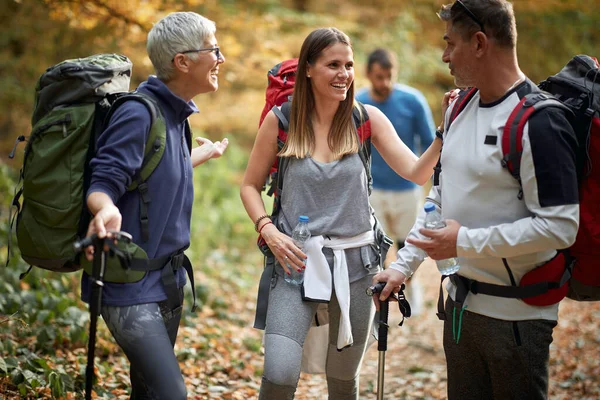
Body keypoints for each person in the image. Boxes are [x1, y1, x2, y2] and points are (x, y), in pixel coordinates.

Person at [372, 1, 579, 399]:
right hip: (459, 309)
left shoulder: (539, 121)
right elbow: (438, 199)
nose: (444, 55)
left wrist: (463, 242)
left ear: (480, 42)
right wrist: (402, 267)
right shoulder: (458, 108)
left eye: (450, 44)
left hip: (517, 318)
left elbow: (560, 227)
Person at [240, 27, 443, 399]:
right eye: (333, 64)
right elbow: (249, 185)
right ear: (308, 69)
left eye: (348, 65)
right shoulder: (281, 122)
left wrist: (445, 131)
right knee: (280, 369)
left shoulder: (366, 120)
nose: (344, 74)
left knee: (342, 376)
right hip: (294, 262)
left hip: (357, 264)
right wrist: (267, 229)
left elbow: (417, 172)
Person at [81, 12, 228, 399]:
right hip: (129, 284)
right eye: (214, 49)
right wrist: (105, 209)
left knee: (146, 393)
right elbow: (104, 182)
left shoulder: (176, 116)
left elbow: (153, 173)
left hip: (167, 281)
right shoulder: (138, 113)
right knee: (170, 394)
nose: (221, 58)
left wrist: (200, 156)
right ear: (183, 61)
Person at [356, 48, 436, 315]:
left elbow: (429, 142)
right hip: (372, 189)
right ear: (368, 74)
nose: (384, 83)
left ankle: (409, 294)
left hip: (406, 189)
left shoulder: (412, 100)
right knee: (375, 245)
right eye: (379, 77)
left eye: (389, 76)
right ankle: (376, 298)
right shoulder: (357, 103)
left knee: (406, 243)